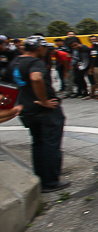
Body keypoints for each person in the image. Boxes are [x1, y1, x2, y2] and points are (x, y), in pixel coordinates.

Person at [10, 36, 69, 192]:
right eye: (45, 48)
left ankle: (40, 178)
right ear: (38, 48)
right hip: (44, 111)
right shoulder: (35, 63)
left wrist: (10, 106)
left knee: (37, 144)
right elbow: (36, 78)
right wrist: (43, 100)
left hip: (27, 110)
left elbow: (5, 86)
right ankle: (50, 182)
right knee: (50, 145)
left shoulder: (15, 62)